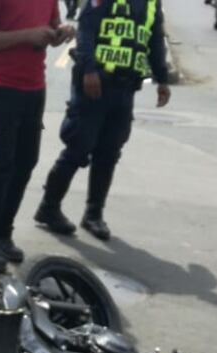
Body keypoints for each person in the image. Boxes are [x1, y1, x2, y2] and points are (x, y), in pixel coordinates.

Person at [34, 0, 171, 241]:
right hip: (95, 83)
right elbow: (86, 29)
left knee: (109, 152)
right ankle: (49, 207)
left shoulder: (151, 3)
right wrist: (88, 70)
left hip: (125, 87)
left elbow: (154, 39)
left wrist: (162, 79)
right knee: (78, 147)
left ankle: (93, 215)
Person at [0, 0, 74, 271]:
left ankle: (2, 234)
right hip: (2, 86)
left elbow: (49, 28)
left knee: (25, 161)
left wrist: (60, 32)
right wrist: (27, 35)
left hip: (34, 86)